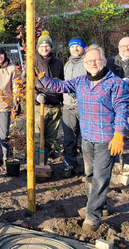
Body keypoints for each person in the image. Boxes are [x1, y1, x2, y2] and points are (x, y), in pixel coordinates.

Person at [35, 44, 129, 232]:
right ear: (84, 64)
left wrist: (119, 133)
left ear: (103, 61)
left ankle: (93, 215)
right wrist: (40, 76)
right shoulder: (80, 82)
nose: (93, 63)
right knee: (90, 175)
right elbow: (58, 86)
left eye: (96, 60)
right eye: (89, 61)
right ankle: (95, 206)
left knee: (101, 178)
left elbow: (122, 109)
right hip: (87, 137)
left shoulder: (116, 83)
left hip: (106, 139)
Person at [23, 30, 64, 165]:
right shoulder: (32, 62)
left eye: (47, 46)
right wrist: (35, 95)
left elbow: (63, 83)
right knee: (36, 138)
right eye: (41, 46)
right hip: (38, 106)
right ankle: (35, 166)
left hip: (55, 107)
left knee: (49, 139)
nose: (44, 48)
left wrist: (61, 101)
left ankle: (43, 163)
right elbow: (24, 84)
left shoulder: (58, 63)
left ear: (51, 47)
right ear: (37, 48)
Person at [61, 37, 87, 177]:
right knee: (69, 138)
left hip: (84, 107)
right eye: (72, 47)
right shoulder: (67, 64)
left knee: (86, 139)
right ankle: (69, 164)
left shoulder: (87, 63)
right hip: (68, 106)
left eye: (78, 46)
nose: (75, 49)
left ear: (83, 48)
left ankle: (88, 167)